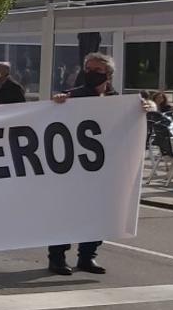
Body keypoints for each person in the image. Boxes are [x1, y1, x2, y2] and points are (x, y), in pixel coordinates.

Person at [48, 53, 153, 276]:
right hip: (74, 169)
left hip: (105, 170)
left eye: (97, 71)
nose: (91, 74)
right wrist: (56, 103)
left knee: (98, 213)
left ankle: (87, 256)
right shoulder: (72, 97)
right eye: (88, 69)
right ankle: (57, 257)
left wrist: (145, 109)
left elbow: (136, 126)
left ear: (109, 75)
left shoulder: (119, 102)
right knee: (66, 213)